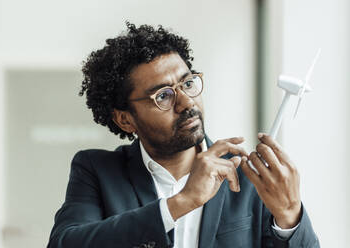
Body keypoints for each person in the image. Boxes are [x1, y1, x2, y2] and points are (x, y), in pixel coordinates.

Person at [47, 22, 319, 248]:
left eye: (188, 83)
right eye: (163, 96)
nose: (187, 102)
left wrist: (290, 215)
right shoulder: (97, 170)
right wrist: (182, 201)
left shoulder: (249, 177)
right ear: (125, 119)